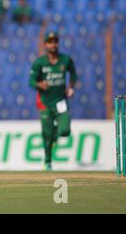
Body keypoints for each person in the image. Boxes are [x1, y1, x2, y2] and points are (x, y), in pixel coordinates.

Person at [29, 31, 77, 171]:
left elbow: (73, 74)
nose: (53, 44)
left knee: (65, 131)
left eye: (55, 41)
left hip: (61, 101)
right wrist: (39, 84)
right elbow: (31, 81)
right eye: (50, 42)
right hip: (45, 102)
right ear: (45, 44)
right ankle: (48, 162)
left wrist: (71, 87)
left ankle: (57, 132)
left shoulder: (65, 60)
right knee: (46, 134)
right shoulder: (40, 62)